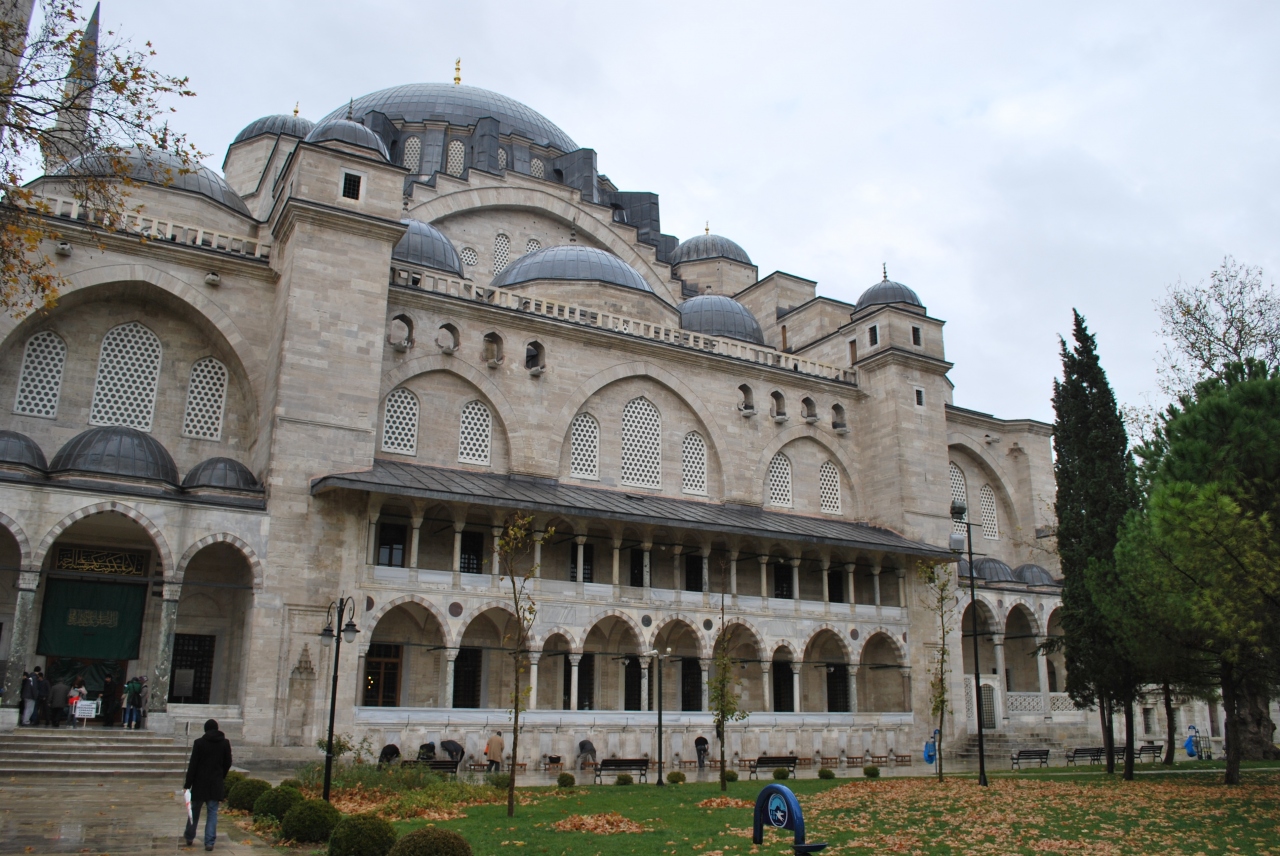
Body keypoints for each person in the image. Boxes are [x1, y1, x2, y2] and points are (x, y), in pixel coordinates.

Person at [183, 718, 232, 851]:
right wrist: (221, 776)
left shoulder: (199, 743)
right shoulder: (224, 743)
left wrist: (187, 784)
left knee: (194, 811)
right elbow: (228, 762)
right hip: (215, 783)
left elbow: (193, 765)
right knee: (212, 813)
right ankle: (209, 842)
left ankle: (189, 836)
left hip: (199, 783)